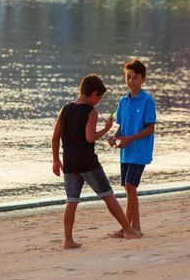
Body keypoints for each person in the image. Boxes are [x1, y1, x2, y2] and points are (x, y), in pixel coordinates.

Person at [52, 73, 142, 249]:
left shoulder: (65, 109)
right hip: (87, 162)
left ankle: (68, 240)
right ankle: (128, 230)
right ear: (93, 94)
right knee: (108, 195)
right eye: (99, 97)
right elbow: (89, 137)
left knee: (71, 201)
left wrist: (56, 160)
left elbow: (55, 138)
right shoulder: (91, 112)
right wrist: (106, 128)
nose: (99, 100)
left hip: (69, 162)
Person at [108, 59, 156, 236]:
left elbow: (150, 128)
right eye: (128, 77)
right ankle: (136, 227)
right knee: (130, 189)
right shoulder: (123, 101)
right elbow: (122, 126)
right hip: (126, 151)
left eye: (135, 77)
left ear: (143, 79)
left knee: (130, 185)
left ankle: (126, 228)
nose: (131, 81)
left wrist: (129, 139)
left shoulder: (147, 101)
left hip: (140, 151)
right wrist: (116, 136)